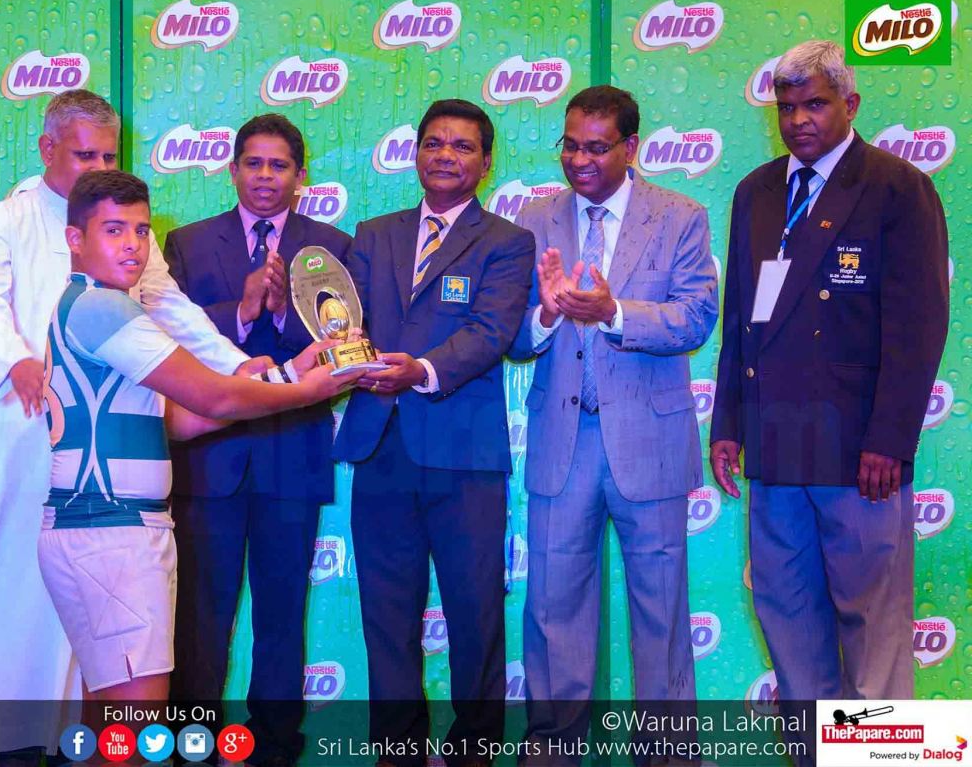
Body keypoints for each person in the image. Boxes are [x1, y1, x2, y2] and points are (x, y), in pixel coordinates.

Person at [0, 90, 257, 751]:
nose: (99, 166)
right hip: (23, 429)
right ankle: (3, 739)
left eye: (108, 155)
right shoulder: (3, 220)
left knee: (105, 622)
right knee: (11, 589)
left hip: (106, 447)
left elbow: (176, 311)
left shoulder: (125, 228)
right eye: (85, 155)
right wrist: (15, 361)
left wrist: (240, 367)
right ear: (48, 149)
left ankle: (78, 740)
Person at [38, 170, 358, 716]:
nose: (133, 245)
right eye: (114, 230)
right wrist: (308, 390)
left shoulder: (94, 305)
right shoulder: (104, 308)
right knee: (135, 725)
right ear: (75, 239)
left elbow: (181, 420)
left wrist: (289, 373)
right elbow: (217, 397)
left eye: (141, 231)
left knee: (110, 721)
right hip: (111, 531)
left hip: (108, 529)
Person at [710, 40, 948, 711]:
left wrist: (890, 441)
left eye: (814, 104)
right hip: (774, 448)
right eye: (786, 108)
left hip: (859, 455)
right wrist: (728, 423)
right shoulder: (756, 192)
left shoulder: (897, 187)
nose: (798, 120)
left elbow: (918, 328)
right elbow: (742, 320)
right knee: (789, 628)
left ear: (851, 104)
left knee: (874, 633)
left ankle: (873, 755)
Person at [508, 85, 718, 763]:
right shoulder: (533, 217)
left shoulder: (681, 216)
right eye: (570, 146)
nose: (580, 160)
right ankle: (553, 749)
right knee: (552, 608)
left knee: (660, 612)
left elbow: (695, 318)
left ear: (632, 147)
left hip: (649, 443)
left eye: (596, 148)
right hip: (560, 443)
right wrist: (546, 313)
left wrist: (613, 312)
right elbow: (512, 333)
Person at [331, 98, 534, 766]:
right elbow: (347, 323)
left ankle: (474, 751)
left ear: (486, 161)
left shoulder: (507, 241)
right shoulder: (373, 233)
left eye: (463, 146)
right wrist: (352, 359)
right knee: (386, 613)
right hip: (381, 445)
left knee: (475, 613)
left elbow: (491, 331)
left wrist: (418, 369)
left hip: (463, 454)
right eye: (434, 143)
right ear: (415, 152)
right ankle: (399, 751)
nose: (446, 156)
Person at [163, 114, 353, 767]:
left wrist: (280, 313)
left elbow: (343, 347)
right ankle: (190, 747)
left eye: (279, 165)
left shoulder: (332, 247)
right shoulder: (187, 243)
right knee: (200, 620)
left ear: (301, 175)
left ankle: (275, 748)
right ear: (232, 168)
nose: (265, 177)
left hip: (291, 456)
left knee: (281, 618)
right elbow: (169, 342)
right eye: (253, 163)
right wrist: (242, 312)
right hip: (208, 461)